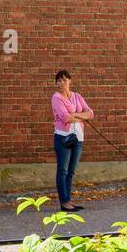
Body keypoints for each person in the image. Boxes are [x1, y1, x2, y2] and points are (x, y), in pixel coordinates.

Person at [51, 70, 94, 211]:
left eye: (64, 79)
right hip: (63, 137)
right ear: (56, 83)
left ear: (70, 81)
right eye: (59, 80)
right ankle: (64, 202)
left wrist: (75, 114)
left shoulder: (77, 96)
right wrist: (82, 116)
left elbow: (91, 114)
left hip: (78, 137)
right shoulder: (56, 98)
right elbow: (65, 118)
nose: (62, 82)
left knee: (71, 171)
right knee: (62, 170)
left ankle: (68, 200)